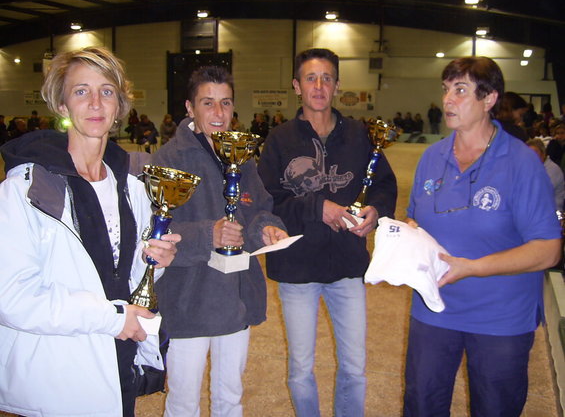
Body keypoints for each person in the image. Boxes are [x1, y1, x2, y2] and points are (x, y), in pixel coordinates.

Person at [0, 46, 181, 417]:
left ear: (119, 107)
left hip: (119, 365)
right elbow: (12, 297)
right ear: (62, 105)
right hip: (59, 375)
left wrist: (156, 261)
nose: (96, 103)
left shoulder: (132, 186)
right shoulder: (25, 190)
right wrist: (112, 318)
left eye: (107, 91)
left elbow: (130, 275)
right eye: (81, 91)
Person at [403, 56, 561, 417]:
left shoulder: (521, 163)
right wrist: (405, 237)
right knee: (421, 403)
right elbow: (416, 219)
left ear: (489, 99)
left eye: (460, 90)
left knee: (495, 408)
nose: (448, 100)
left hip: (500, 317)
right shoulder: (432, 157)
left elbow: (549, 250)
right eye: (446, 90)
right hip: (434, 308)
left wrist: (472, 267)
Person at [130, 65, 288, 417]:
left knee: (230, 396)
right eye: (208, 103)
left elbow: (258, 206)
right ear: (190, 108)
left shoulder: (242, 155)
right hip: (189, 298)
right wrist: (207, 234)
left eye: (226, 103)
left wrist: (266, 227)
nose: (218, 113)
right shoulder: (168, 159)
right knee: (183, 402)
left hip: (236, 296)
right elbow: (153, 233)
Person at [257, 48, 397, 417]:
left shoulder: (359, 135)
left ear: (336, 85)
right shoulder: (279, 139)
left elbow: (383, 184)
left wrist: (376, 210)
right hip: (297, 269)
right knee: (301, 370)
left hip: (347, 267)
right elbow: (267, 202)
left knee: (355, 368)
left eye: (326, 78)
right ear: (296, 86)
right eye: (310, 78)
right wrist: (317, 207)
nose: (319, 86)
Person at [527, 138, 565, 213]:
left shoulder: (552, 169)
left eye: (534, 153)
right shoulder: (532, 167)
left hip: (551, 212)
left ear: (543, 154)